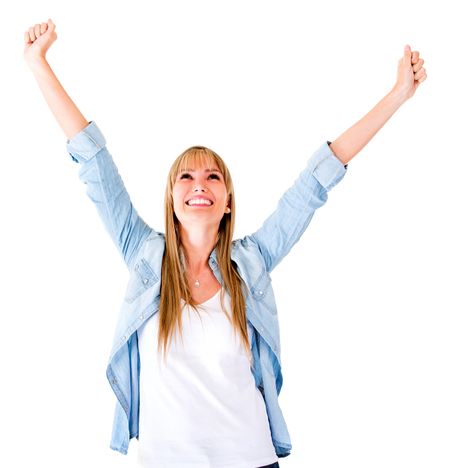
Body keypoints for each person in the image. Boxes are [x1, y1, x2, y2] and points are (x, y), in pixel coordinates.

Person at [24, 18, 427, 468]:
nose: (200, 184)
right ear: (172, 197)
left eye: (213, 176)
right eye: (187, 175)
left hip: (250, 459)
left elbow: (318, 179)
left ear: (227, 201)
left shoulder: (252, 261)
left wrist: (397, 95)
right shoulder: (143, 255)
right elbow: (94, 163)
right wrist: (38, 64)